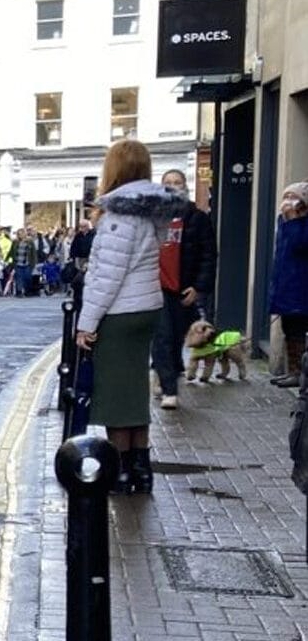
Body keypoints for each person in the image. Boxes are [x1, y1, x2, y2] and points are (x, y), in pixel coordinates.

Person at [74, 139, 193, 494]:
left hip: (121, 312)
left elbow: (107, 276)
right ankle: (140, 468)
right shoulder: (150, 212)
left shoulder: (120, 217)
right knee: (134, 391)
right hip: (146, 307)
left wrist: (86, 323)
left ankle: (121, 472)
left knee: (115, 395)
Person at [151, 169, 218, 408]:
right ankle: (169, 389)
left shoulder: (197, 218)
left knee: (177, 336)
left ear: (185, 186)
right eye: (167, 182)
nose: (172, 186)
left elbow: (208, 255)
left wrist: (198, 288)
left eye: (177, 182)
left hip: (182, 289)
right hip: (156, 288)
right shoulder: (154, 217)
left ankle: (166, 373)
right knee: (162, 337)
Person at [268, 184, 308, 388]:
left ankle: (301, 373)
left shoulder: (299, 223)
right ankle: (293, 370)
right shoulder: (283, 219)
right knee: (288, 328)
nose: (288, 201)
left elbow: (299, 244)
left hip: (301, 285)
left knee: (299, 329)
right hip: (286, 283)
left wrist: (294, 220)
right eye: (286, 196)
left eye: (293, 197)